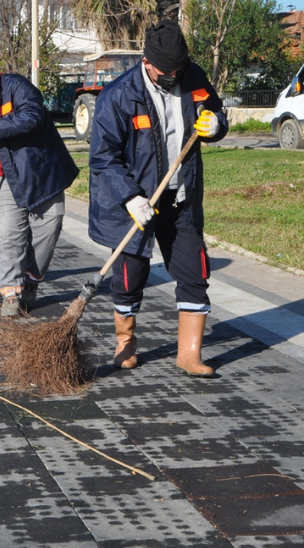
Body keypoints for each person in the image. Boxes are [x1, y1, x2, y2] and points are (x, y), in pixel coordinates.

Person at [87, 19, 228, 377]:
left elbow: (216, 112)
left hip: (180, 198)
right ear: (146, 63)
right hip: (136, 204)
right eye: (167, 71)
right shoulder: (118, 96)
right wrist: (132, 198)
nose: (173, 76)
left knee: (194, 272)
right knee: (130, 275)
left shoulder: (193, 77)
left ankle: (189, 354)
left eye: (178, 70)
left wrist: (216, 127)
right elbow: (103, 159)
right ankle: (126, 344)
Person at [0, 66, 79, 316]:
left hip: (41, 172)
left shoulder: (15, 86)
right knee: (9, 236)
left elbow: (33, 116)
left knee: (50, 226)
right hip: (3, 178)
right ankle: (11, 295)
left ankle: (30, 280)